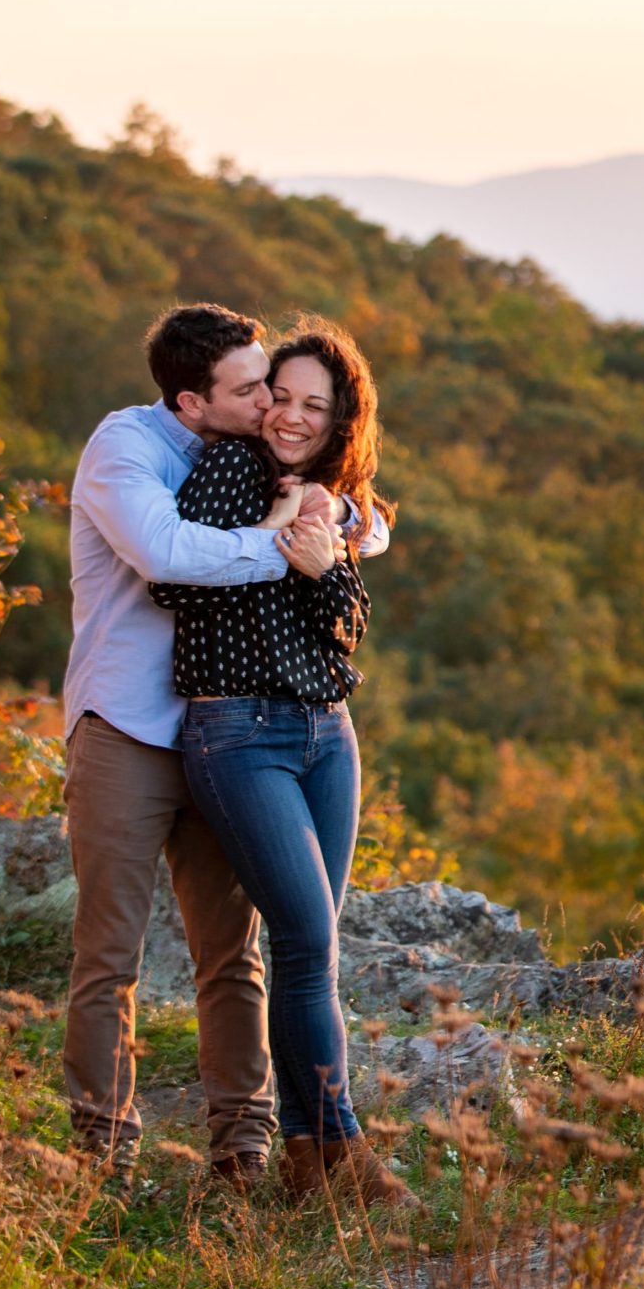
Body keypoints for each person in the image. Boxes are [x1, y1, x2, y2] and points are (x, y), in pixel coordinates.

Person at [60, 303, 386, 1188]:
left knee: (232, 952)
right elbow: (169, 558)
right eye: (252, 390)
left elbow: (358, 521)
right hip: (131, 726)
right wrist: (297, 543)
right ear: (193, 402)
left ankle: (243, 1148)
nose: (268, 404)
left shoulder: (245, 458)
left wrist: (345, 519)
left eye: (277, 389)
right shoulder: (128, 450)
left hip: (219, 736)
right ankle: (102, 1154)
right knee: (110, 951)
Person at [151, 315, 415, 1208]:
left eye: (314, 404)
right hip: (238, 733)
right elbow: (173, 581)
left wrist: (322, 564)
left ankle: (308, 1160)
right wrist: (277, 539)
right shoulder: (230, 468)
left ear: (342, 418)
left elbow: (346, 629)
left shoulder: (332, 496)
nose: (290, 416)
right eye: (279, 396)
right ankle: (346, 1152)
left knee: (315, 952)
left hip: (326, 732)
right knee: (303, 939)